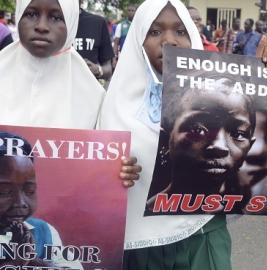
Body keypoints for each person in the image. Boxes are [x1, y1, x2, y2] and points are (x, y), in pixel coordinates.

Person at [99, 0, 232, 269]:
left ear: (194, 37)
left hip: (201, 235)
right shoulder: (114, 105)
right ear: (138, 39)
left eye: (181, 31)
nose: (169, 40)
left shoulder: (225, 98)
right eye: (155, 31)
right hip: (140, 244)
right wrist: (114, 172)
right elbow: (97, 177)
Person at [0, 0, 139, 184]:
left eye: (56, 17)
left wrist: (120, 169)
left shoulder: (94, 96)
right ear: (18, 16)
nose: (41, 26)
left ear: (72, 22)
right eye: (31, 14)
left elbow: (105, 164)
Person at [147, 75, 256, 212]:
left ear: (249, 147)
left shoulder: (230, 215)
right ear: (165, 139)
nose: (219, 146)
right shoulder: (148, 214)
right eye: (197, 130)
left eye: (238, 134)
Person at [0, 132, 83, 269]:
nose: (21, 202)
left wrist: (31, 259)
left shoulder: (44, 230)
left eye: (29, 191)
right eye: (3, 192)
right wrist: (16, 262)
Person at [75, 0, 114, 81]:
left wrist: (98, 70)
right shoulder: (48, 23)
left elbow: (108, 69)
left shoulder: (97, 23)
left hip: (88, 91)